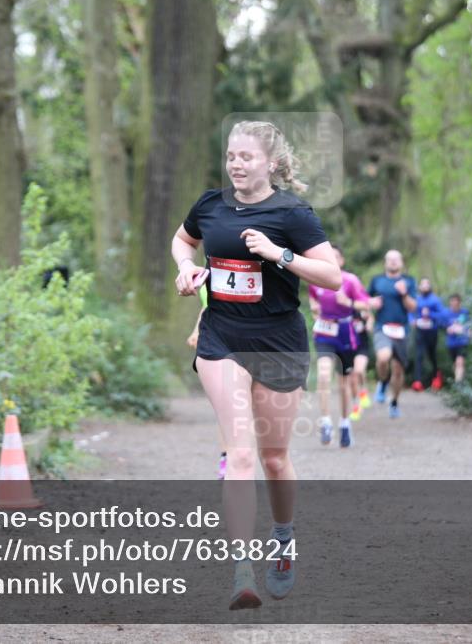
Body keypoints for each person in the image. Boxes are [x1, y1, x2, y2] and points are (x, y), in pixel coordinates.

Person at [172, 120, 340, 610]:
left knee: (273, 458)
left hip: (279, 342)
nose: (236, 164)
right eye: (230, 156)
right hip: (221, 336)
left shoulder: (292, 212)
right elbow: (183, 241)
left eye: (246, 157)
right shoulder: (210, 205)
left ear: (269, 162)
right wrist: (186, 270)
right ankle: (241, 570)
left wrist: (278, 254)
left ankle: (283, 538)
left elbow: (331, 275)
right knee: (240, 454)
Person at [308, 245, 369, 448]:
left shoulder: (350, 280)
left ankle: (344, 424)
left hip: (345, 334)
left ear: (341, 261)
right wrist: (315, 309)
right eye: (329, 256)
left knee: (343, 384)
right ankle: (325, 422)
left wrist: (348, 302)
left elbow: (365, 304)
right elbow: (313, 301)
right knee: (324, 375)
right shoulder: (315, 280)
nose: (332, 259)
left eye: (336, 257)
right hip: (325, 333)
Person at [367, 250, 417, 419]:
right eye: (390, 259)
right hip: (382, 327)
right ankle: (382, 382)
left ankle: (394, 402)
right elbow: (365, 300)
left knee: (398, 370)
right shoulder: (377, 281)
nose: (393, 262)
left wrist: (404, 294)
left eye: (397, 259)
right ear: (385, 262)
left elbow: (413, 307)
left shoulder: (409, 281)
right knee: (382, 358)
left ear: (402, 263)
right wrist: (371, 305)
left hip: (402, 330)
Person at [187, 282, 228, 479]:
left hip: (252, 339)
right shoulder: (207, 276)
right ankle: (226, 456)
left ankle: (244, 455)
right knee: (226, 407)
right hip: (219, 340)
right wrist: (196, 331)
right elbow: (207, 307)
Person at [410, 277, 446, 391]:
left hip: (432, 331)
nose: (425, 286)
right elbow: (410, 312)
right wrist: (412, 320)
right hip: (420, 331)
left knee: (432, 355)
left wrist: (430, 314)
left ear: (430, 287)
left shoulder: (435, 300)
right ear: (419, 287)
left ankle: (436, 378)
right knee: (419, 355)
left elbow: (442, 314)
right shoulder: (416, 299)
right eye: (423, 284)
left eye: (427, 284)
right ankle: (417, 381)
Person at [442, 293, 471, 383]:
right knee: (456, 364)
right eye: (452, 301)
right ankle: (460, 380)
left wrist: (465, 330)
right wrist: (449, 329)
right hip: (451, 343)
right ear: (450, 302)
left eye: (456, 301)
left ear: (459, 302)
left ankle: (458, 384)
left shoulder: (465, 312)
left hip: (462, 342)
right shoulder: (446, 313)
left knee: (460, 362)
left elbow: (469, 326)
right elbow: (443, 326)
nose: (454, 303)